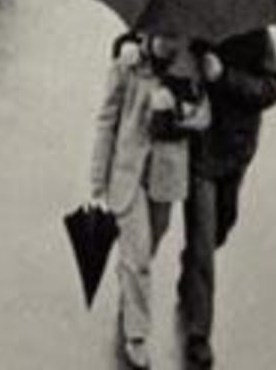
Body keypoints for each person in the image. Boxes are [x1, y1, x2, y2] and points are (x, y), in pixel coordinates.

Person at [90, 32, 216, 368]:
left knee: (150, 245)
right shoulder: (129, 63)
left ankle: (129, 287)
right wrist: (97, 180)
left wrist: (177, 111)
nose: (168, 42)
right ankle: (137, 335)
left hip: (166, 177)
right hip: (127, 175)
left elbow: (205, 117)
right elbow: (107, 120)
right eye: (161, 34)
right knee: (139, 253)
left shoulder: (193, 65)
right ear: (147, 33)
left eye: (174, 36)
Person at [177, 29, 276, 367]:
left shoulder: (256, 32)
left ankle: (189, 272)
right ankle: (199, 334)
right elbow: (153, 57)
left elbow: (271, 88)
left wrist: (223, 75)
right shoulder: (186, 25)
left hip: (236, 149)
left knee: (222, 227)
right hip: (198, 152)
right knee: (203, 243)